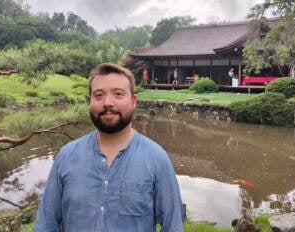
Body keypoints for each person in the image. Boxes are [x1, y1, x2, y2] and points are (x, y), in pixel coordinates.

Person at [34, 63, 184, 232]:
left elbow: (173, 226)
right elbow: (46, 224)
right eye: (98, 95)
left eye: (118, 94)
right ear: (90, 101)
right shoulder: (67, 156)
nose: (108, 103)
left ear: (134, 101)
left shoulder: (157, 159)